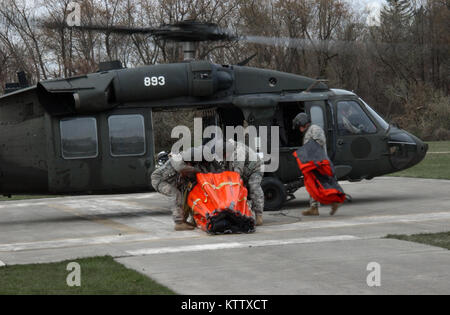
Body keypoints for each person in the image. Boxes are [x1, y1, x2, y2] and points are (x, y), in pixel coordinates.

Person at [208, 138, 265, 226]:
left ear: (226, 152)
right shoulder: (226, 152)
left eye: (223, 155)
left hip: (255, 168)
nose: (222, 157)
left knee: (253, 187)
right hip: (244, 171)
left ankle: (259, 215)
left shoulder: (239, 152)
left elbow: (237, 173)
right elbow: (224, 170)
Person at [292, 112, 340, 216]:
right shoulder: (308, 132)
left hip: (320, 163)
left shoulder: (315, 129)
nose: (299, 129)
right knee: (312, 185)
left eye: (299, 126)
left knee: (323, 185)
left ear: (303, 123)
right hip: (313, 164)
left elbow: (319, 143)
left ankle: (334, 202)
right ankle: (314, 208)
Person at [150, 146, 204, 231]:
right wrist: (196, 170)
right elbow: (180, 168)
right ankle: (179, 223)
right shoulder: (177, 158)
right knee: (176, 195)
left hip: (174, 182)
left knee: (187, 196)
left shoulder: (189, 163)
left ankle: (185, 220)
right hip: (159, 180)